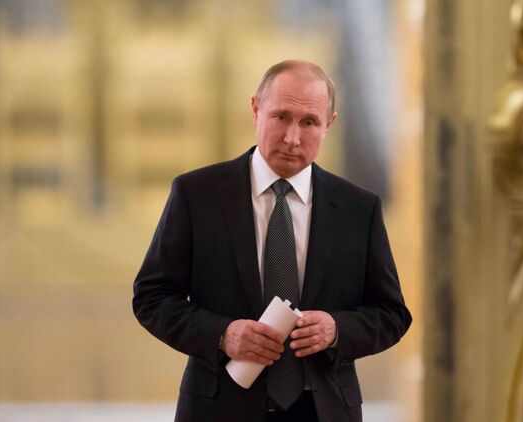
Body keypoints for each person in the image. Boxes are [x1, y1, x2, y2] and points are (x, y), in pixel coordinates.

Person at [133, 59, 412, 422]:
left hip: (324, 411)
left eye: (309, 122)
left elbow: (391, 315)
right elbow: (152, 297)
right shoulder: (197, 194)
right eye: (281, 117)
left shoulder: (359, 208)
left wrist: (336, 330)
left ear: (329, 124)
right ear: (255, 109)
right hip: (220, 409)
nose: (292, 138)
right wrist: (222, 335)